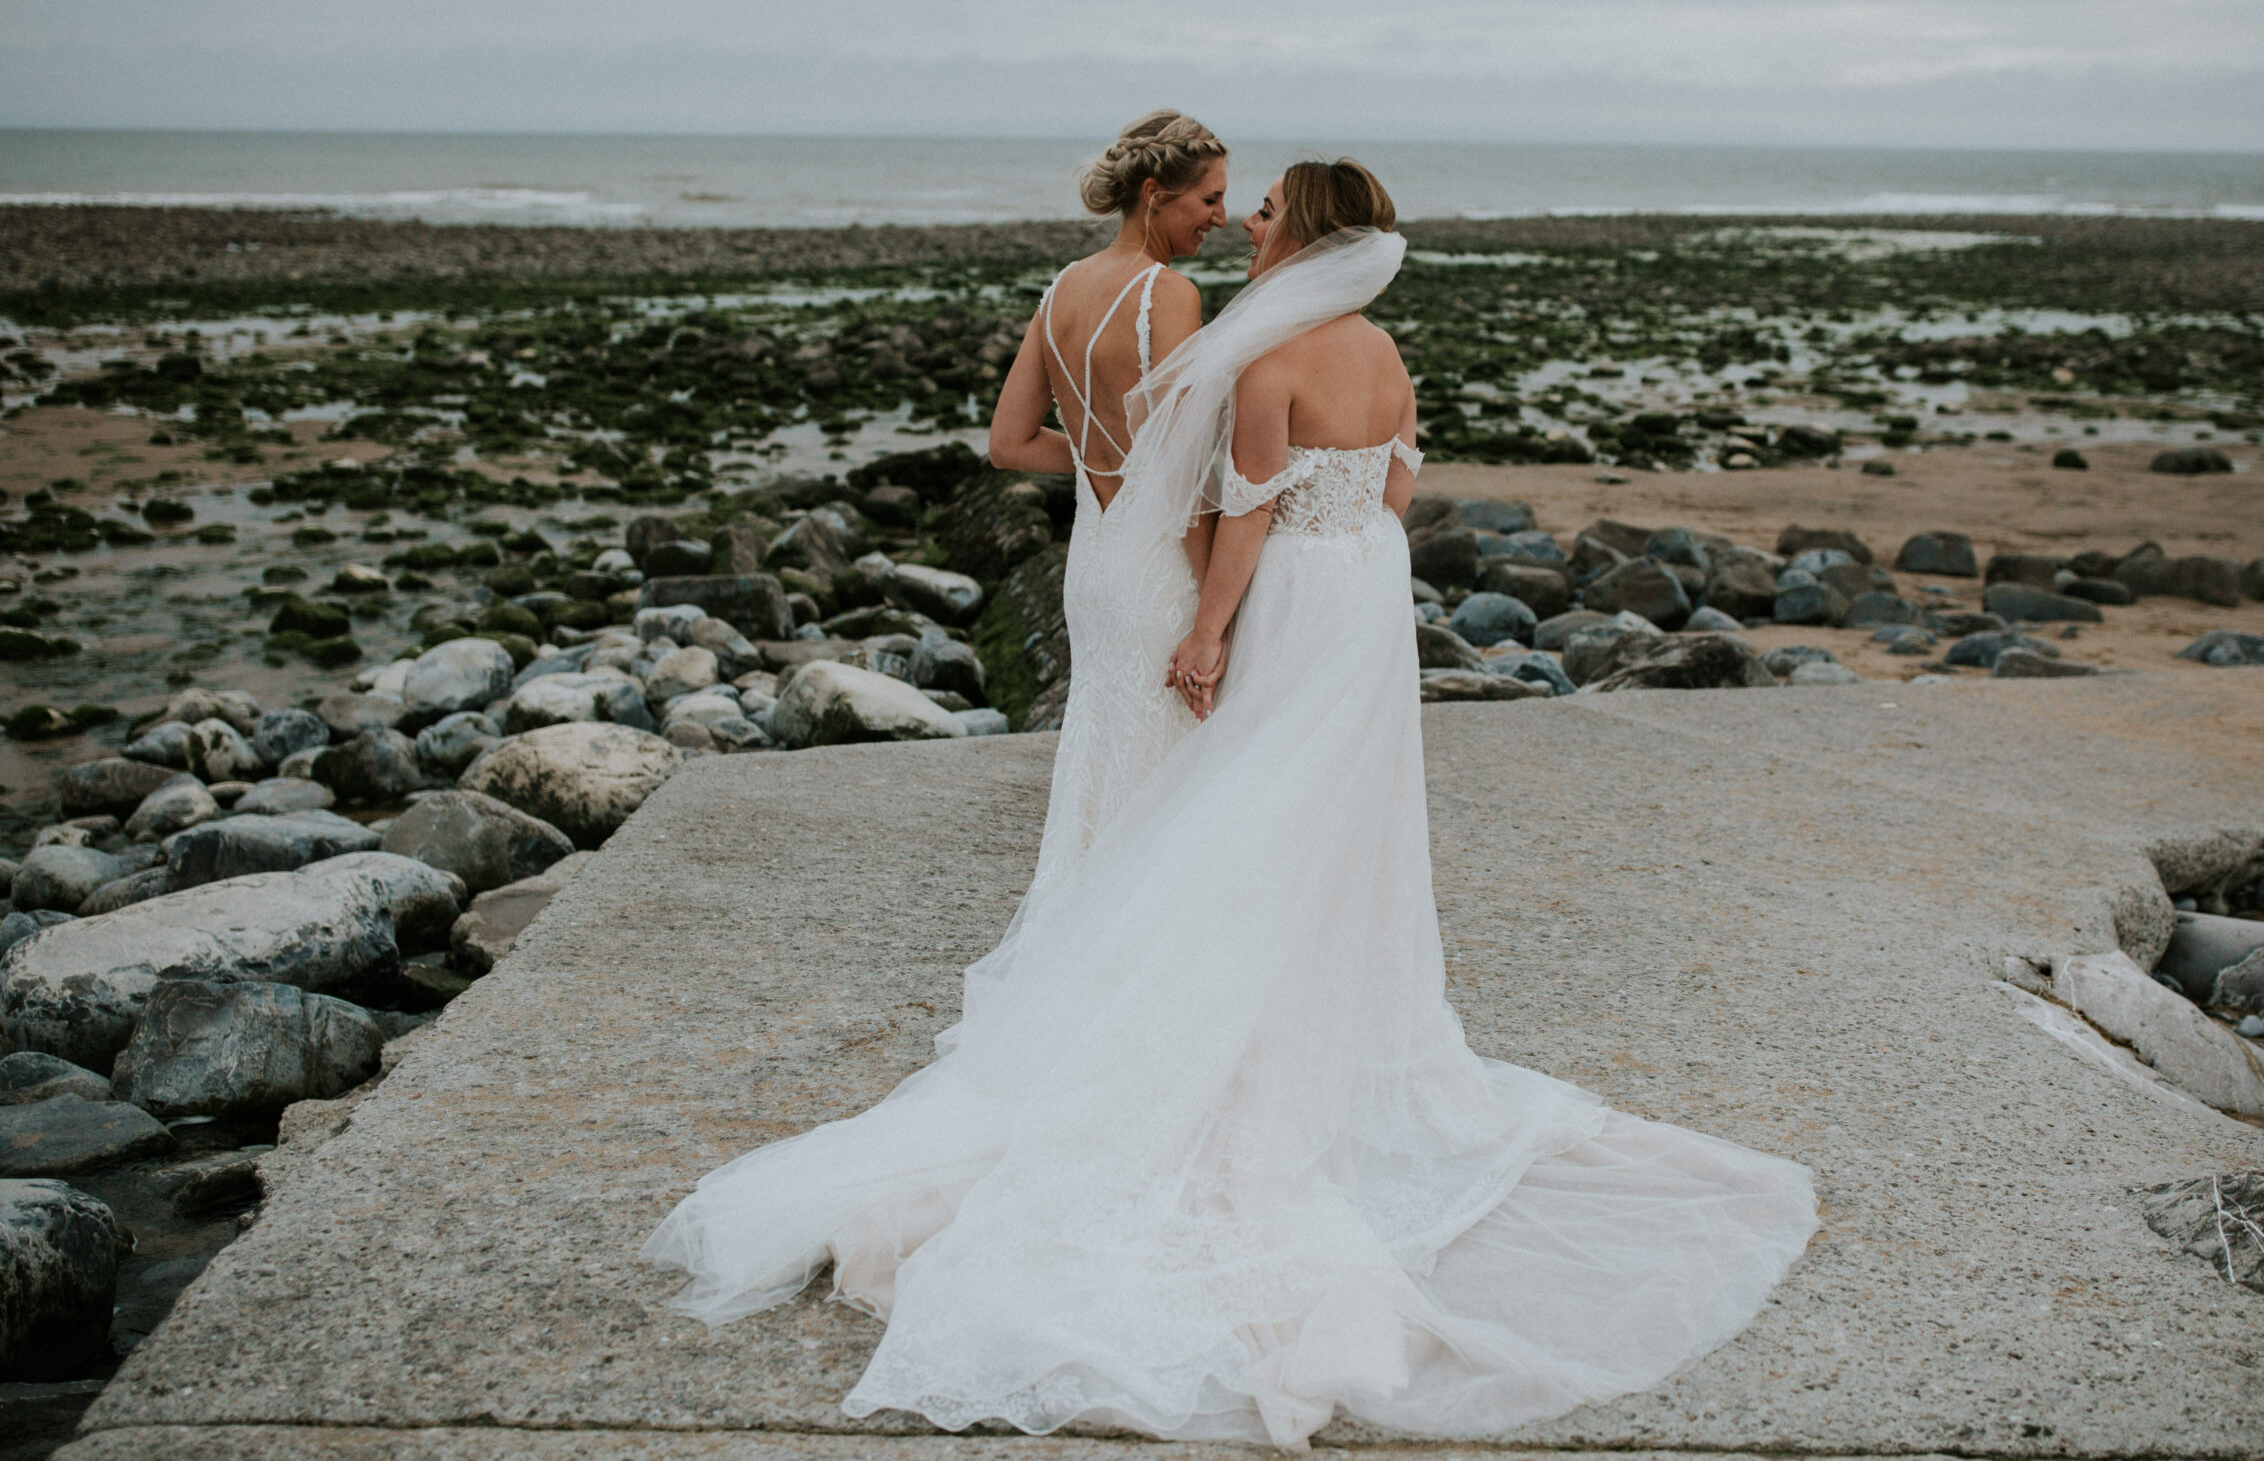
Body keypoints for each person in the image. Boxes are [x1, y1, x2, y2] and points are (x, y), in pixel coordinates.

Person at [643, 158, 1817, 1452]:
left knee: (1249, 799)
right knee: (1338, 814)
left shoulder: (1269, 363)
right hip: (1369, 592)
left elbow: (1246, 520)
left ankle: (1237, 1014)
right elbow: (1396, 487)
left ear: (1303, 233)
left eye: (1265, 210)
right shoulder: (1378, 348)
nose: (1247, 220)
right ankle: (1327, 1003)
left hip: (1306, 595)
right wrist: (1344, 554)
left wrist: (1208, 633)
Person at [985, 109, 1227, 879]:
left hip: (1092, 562)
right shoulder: (1168, 293)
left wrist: (1101, 459)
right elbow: (1184, 477)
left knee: (1102, 751)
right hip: (1156, 564)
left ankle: (1085, 929)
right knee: (1167, 762)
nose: (1222, 218)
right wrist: (1221, 608)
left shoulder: (1064, 287)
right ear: (1155, 194)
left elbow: (1009, 443)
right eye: (1209, 200)